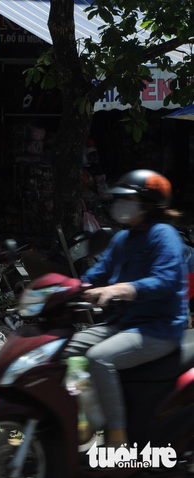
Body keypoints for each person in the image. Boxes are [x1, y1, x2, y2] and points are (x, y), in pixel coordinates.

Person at [61, 169, 188, 448]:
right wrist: (66, 290)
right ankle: (88, 419)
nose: (119, 204)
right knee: (65, 348)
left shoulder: (163, 235)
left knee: (99, 358)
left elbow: (165, 281)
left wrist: (119, 289)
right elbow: (97, 274)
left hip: (158, 328)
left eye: (127, 198)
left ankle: (117, 437)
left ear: (147, 203)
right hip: (123, 323)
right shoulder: (122, 239)